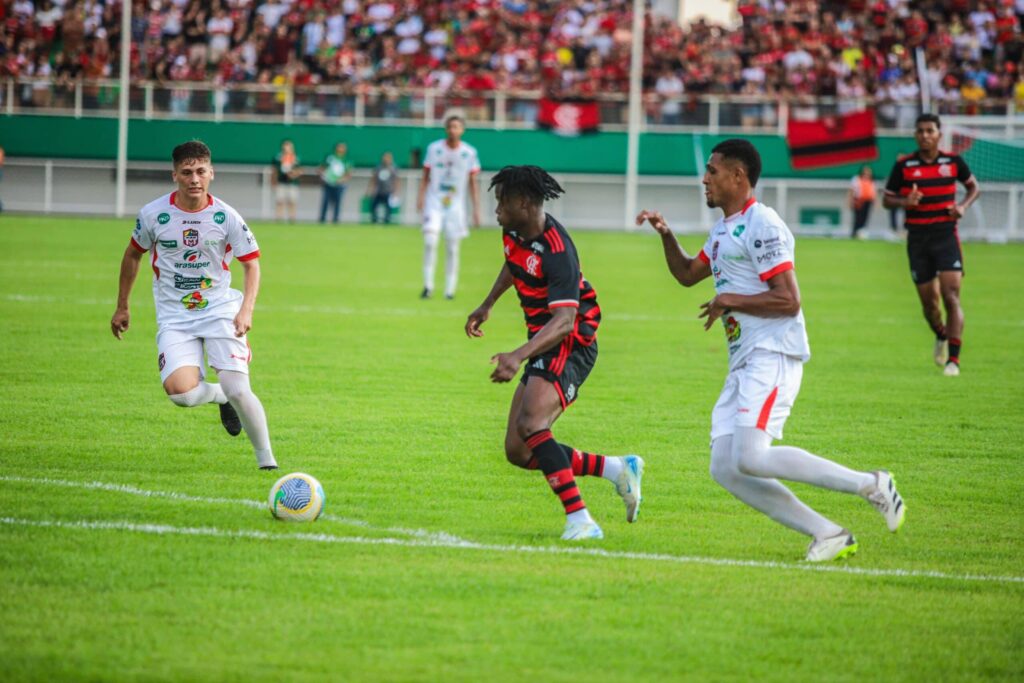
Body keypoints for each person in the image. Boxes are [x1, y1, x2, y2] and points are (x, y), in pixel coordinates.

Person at [637, 139, 904, 562]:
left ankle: (870, 483)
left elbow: (789, 300)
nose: (704, 179)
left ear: (738, 176)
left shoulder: (763, 223)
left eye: (713, 171)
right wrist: (667, 235)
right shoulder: (724, 230)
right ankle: (828, 533)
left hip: (773, 352)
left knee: (752, 456)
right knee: (725, 467)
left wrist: (730, 301)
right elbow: (689, 274)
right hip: (743, 360)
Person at [466, 165, 644, 541]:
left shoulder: (558, 250)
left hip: (570, 341)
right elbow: (514, 263)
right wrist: (488, 304)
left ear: (524, 202)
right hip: (544, 339)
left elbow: (565, 320)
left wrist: (517, 356)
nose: (496, 209)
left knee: (532, 425)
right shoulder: (513, 230)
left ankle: (581, 520)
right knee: (518, 450)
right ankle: (617, 470)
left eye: (502, 202)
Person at [110, 140, 277, 470]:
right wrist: (122, 305)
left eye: (201, 171)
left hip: (219, 311)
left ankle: (267, 462)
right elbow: (132, 255)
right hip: (175, 317)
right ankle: (219, 397)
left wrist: (246, 310)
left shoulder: (226, 216)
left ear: (211, 173)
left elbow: (252, 264)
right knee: (181, 394)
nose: (194, 179)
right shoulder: (154, 214)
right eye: (187, 172)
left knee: (239, 388)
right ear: (175, 175)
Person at [883, 113, 980, 377]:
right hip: (917, 240)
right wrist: (905, 202)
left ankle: (954, 361)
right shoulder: (904, 166)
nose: (925, 135)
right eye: (920, 131)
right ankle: (940, 334)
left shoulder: (953, 162)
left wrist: (962, 206)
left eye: (930, 130)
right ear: (915, 135)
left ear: (939, 134)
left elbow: (974, 188)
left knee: (951, 296)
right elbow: (887, 199)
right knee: (930, 305)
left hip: (946, 236)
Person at [417, 114, 481, 300]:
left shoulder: (469, 152)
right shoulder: (434, 149)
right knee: (430, 242)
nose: (453, 130)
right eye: (450, 127)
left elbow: (472, 183)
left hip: (455, 205)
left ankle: (449, 290)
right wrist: (420, 197)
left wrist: (476, 209)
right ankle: (428, 286)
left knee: (452, 247)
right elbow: (425, 175)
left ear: (462, 130)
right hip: (434, 202)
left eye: (457, 127)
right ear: (446, 129)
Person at [318, 142, 351, 224]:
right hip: (328, 183)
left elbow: (348, 173)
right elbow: (321, 168)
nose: (341, 149)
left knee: (338, 202)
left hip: (339, 185)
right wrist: (323, 176)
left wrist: (341, 180)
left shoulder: (346, 160)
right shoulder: (330, 157)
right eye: (340, 147)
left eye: (343, 147)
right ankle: (322, 219)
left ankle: (335, 219)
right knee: (325, 201)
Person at [272, 139, 302, 222]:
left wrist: (294, 174)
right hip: (281, 182)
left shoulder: (295, 157)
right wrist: (274, 182)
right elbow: (274, 170)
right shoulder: (278, 157)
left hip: (292, 183)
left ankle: (292, 218)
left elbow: (300, 170)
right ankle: (279, 218)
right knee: (280, 201)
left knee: (292, 201)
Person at [367, 151, 400, 224]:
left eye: (388, 157)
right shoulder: (378, 167)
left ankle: (387, 220)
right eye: (385, 157)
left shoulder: (393, 168)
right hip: (378, 191)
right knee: (373, 205)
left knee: (388, 207)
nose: (386, 159)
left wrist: (396, 191)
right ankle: (374, 219)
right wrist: (371, 189)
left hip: (388, 191)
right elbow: (374, 179)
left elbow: (396, 180)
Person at [847, 165, 877, 239]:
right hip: (859, 201)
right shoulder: (856, 179)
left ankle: (861, 233)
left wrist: (875, 202)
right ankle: (854, 233)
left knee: (865, 218)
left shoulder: (871, 181)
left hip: (868, 201)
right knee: (858, 218)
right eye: (866, 172)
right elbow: (851, 190)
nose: (867, 174)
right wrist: (850, 201)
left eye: (869, 172)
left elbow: (873, 192)